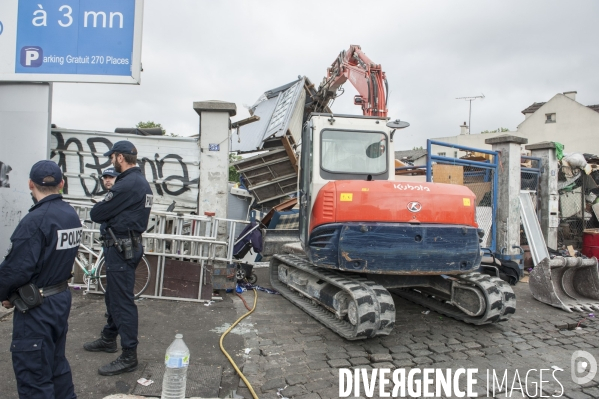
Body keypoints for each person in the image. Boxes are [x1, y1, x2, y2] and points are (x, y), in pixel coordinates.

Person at [0, 160, 81, 398]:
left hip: (38, 308)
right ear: (61, 184)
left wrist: (5, 294)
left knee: (34, 376)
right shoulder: (69, 214)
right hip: (59, 299)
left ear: (29, 184)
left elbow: (16, 269)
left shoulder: (35, 220)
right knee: (56, 366)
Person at [84, 141, 153, 376]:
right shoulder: (138, 181)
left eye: (112, 157)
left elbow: (97, 213)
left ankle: (129, 356)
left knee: (122, 302)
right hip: (125, 246)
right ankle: (108, 338)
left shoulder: (127, 184)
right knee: (114, 296)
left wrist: (108, 213)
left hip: (122, 248)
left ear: (120, 157)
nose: (111, 161)